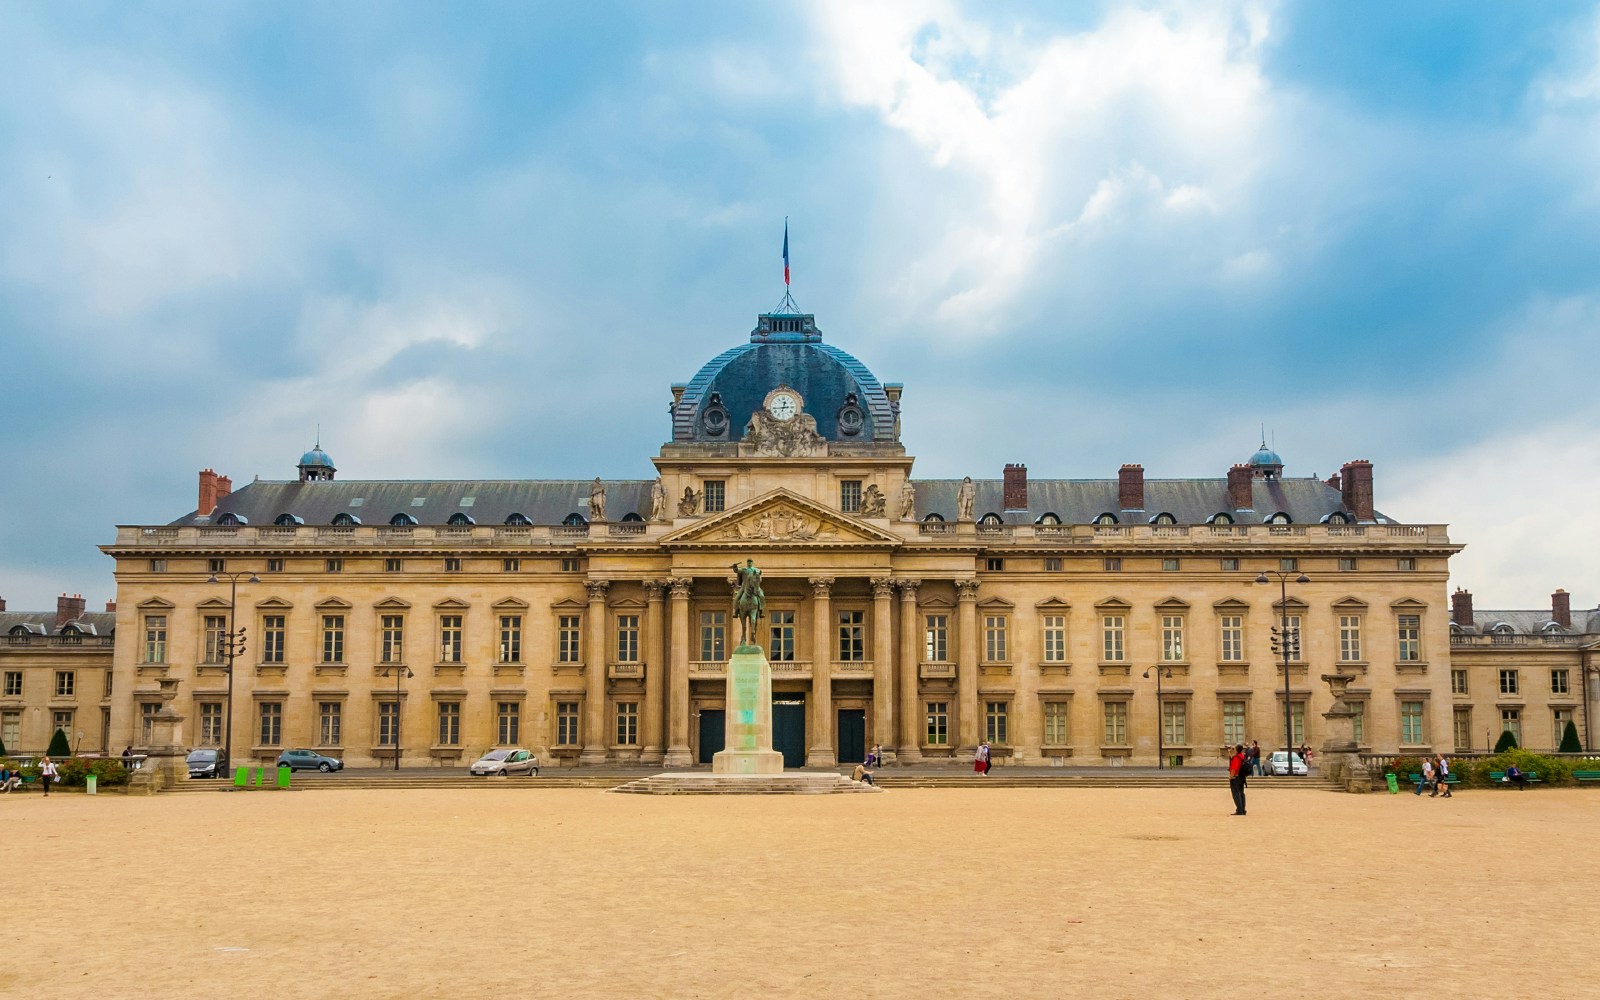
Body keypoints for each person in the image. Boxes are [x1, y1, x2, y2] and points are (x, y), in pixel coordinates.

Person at [1228, 743, 1248, 815]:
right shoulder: (1241, 756)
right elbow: (1233, 759)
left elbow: (1234, 768)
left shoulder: (1236, 758)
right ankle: (1242, 809)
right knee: (1241, 793)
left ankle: (1239, 810)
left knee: (1236, 794)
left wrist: (1230, 777)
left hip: (1235, 777)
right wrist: (1230, 752)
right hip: (1241, 777)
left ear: (1236, 750)